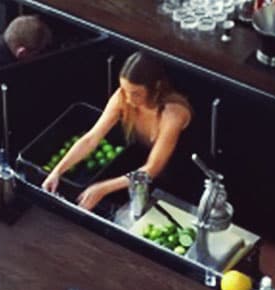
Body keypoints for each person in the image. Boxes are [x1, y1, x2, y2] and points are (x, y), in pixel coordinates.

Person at [41, 52, 192, 210]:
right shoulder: (123, 97)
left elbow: (152, 169)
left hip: (176, 181)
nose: (128, 99)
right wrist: (57, 171)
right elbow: (91, 139)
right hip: (137, 173)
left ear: (157, 87)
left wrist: (103, 188)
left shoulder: (173, 114)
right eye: (125, 90)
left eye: (136, 94)